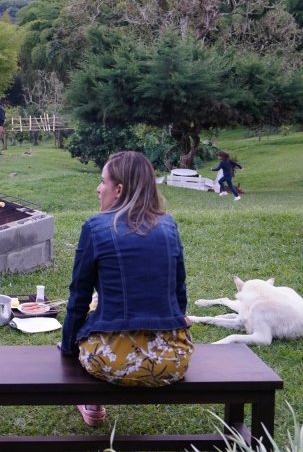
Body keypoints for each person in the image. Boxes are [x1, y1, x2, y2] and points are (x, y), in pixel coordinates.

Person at [59, 151, 194, 427]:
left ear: (118, 190)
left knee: (97, 304)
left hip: (111, 362)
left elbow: (79, 298)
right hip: (171, 361)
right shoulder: (169, 227)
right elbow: (179, 293)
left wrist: (68, 348)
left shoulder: (95, 228)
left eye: (103, 182)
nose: (98, 189)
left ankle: (92, 405)